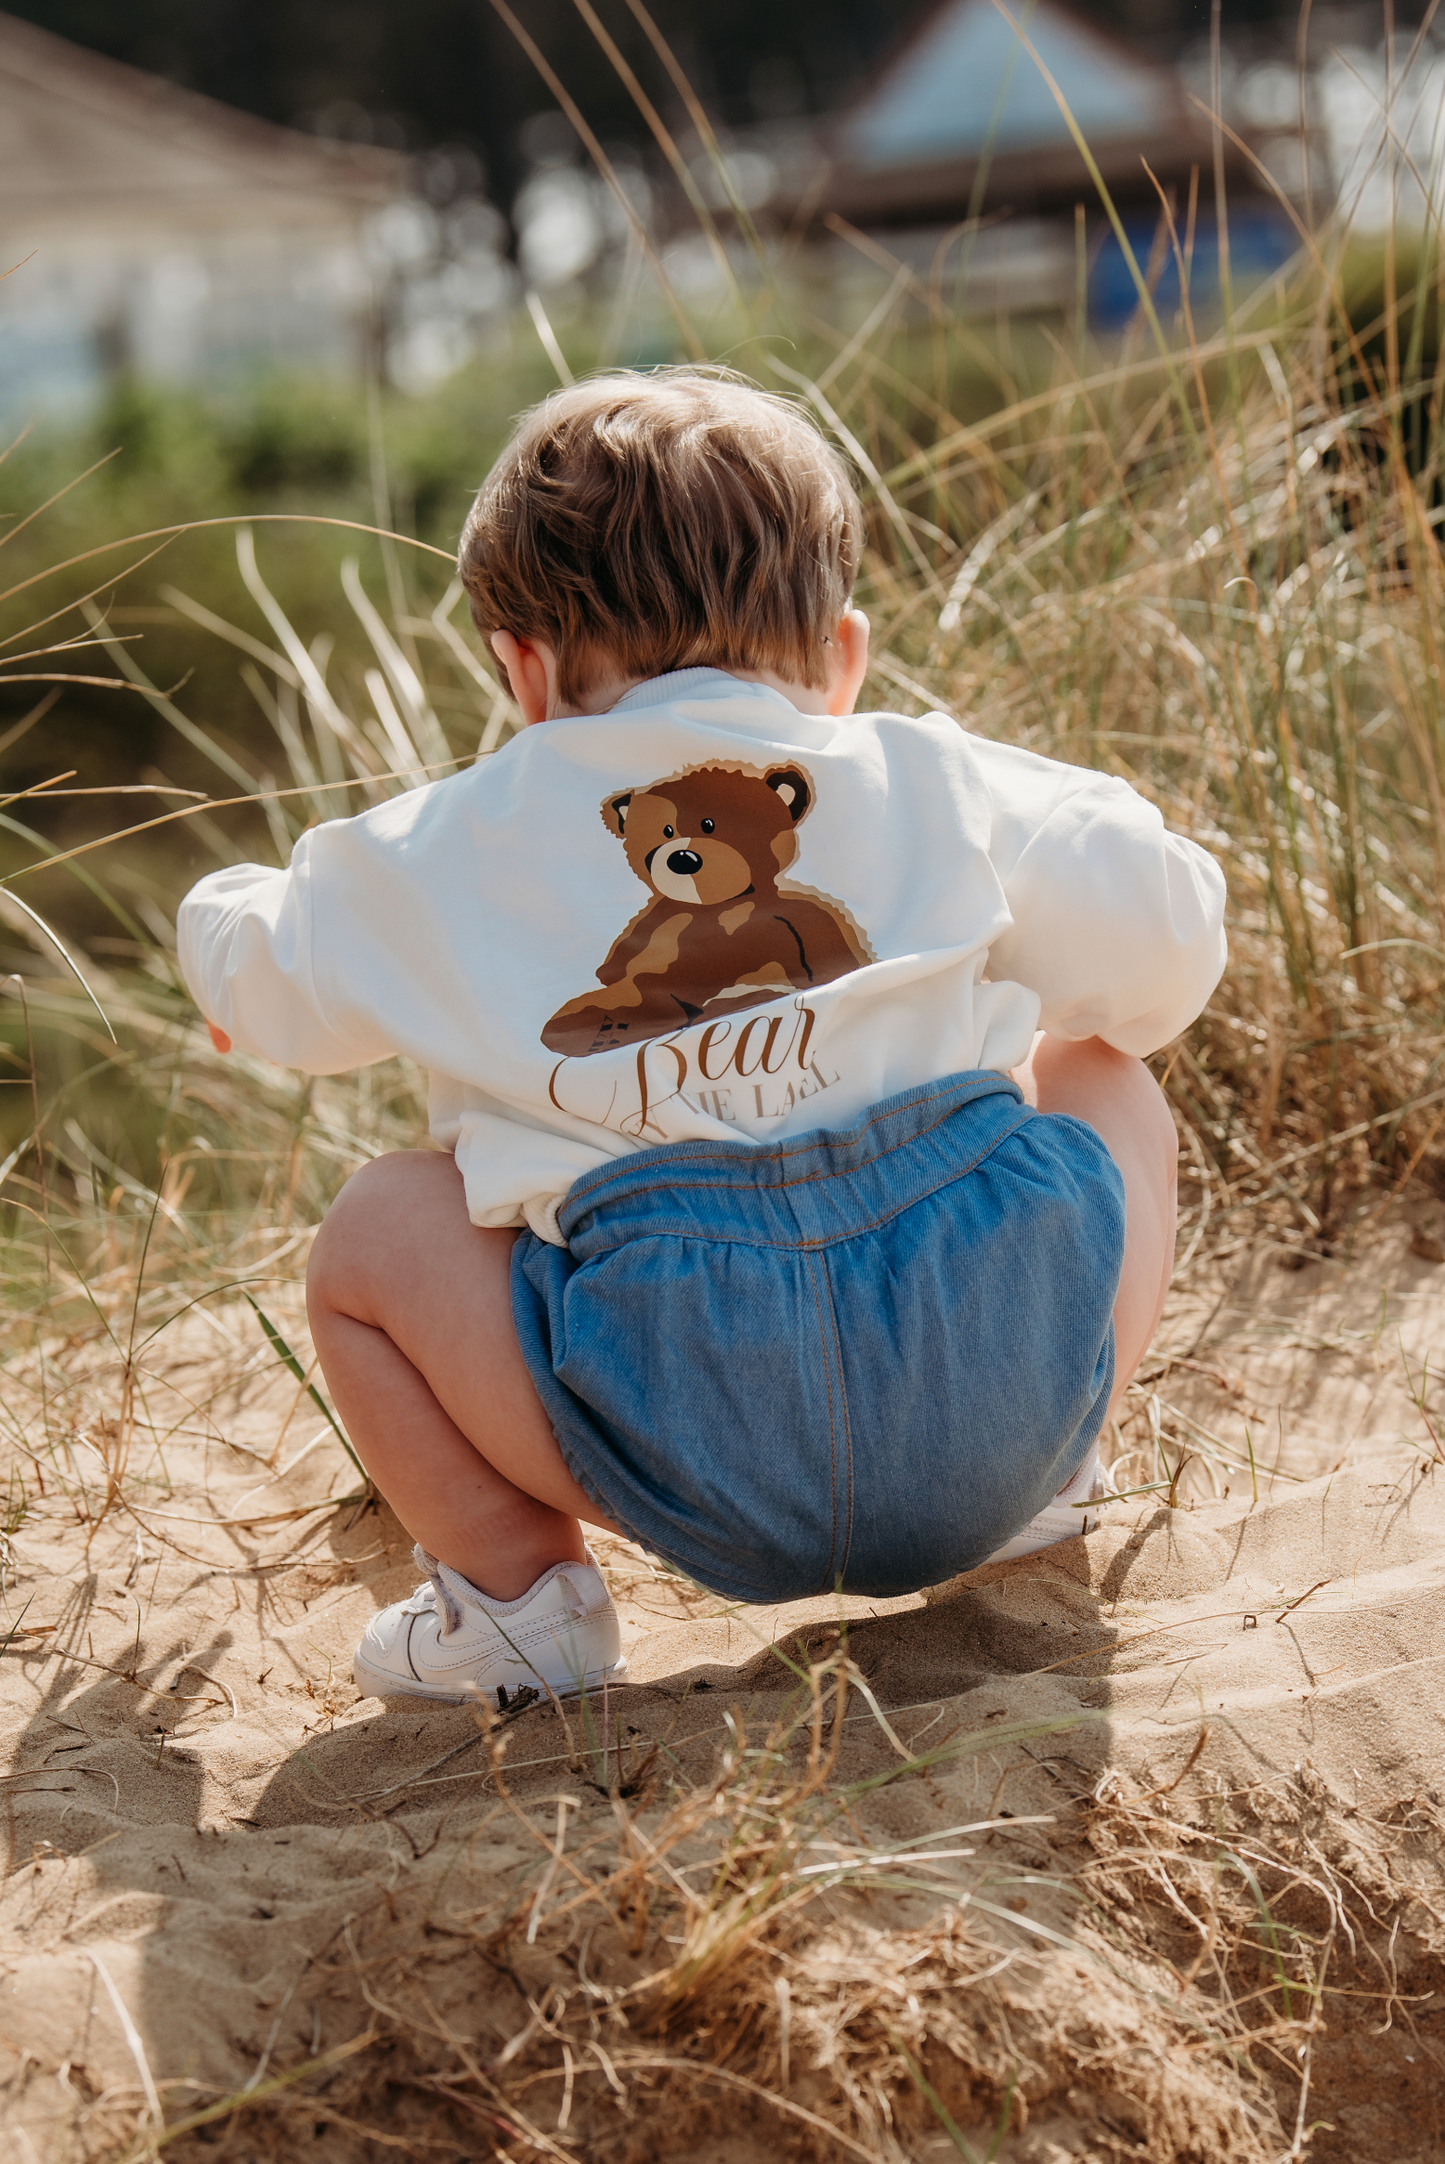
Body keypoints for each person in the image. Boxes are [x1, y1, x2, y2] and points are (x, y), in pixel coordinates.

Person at [178, 369, 1225, 1707]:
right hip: (990, 1383)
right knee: (1100, 1073)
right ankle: (1047, 1477)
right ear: (841, 657)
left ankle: (517, 1601)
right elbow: (1168, 937)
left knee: (375, 1234)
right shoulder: (937, 776)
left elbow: (274, 977)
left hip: (683, 1434)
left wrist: (214, 931)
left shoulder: (451, 843)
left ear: (526, 670)